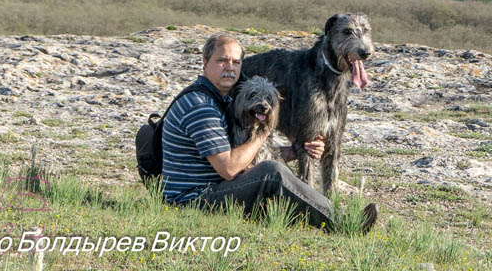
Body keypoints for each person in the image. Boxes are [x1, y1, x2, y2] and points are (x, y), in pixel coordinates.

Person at [161, 32, 377, 232]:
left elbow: (244, 155)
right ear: (205, 63)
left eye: (236, 62)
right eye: (222, 61)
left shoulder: (220, 100)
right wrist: (263, 132)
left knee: (274, 172)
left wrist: (296, 151)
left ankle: (315, 217)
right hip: (193, 200)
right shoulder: (201, 106)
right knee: (273, 173)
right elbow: (228, 168)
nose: (230, 67)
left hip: (213, 190)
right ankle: (345, 224)